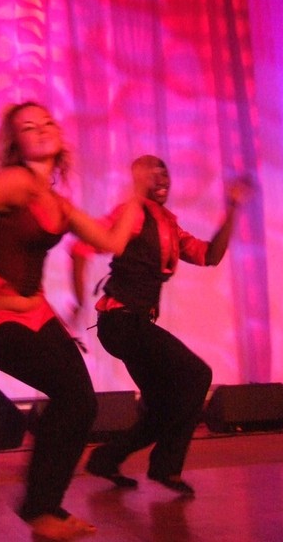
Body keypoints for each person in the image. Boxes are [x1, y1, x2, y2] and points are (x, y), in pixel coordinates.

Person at [0, 101, 142, 541]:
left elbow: (110, 242)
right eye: (29, 127)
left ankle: (47, 507)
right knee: (73, 397)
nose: (41, 130)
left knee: (81, 403)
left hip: (34, 310)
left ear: (59, 136)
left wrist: (136, 198)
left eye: (47, 123)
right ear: (17, 143)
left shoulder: (60, 205)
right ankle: (40, 508)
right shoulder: (15, 182)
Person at [70, 154, 250, 496]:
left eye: (164, 171)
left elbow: (209, 255)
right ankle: (166, 467)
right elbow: (80, 248)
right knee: (197, 375)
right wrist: (78, 304)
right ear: (137, 179)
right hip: (121, 323)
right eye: (151, 172)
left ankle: (106, 459)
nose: (160, 177)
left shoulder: (168, 224)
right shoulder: (133, 213)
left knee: (162, 409)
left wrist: (232, 208)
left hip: (133, 325)